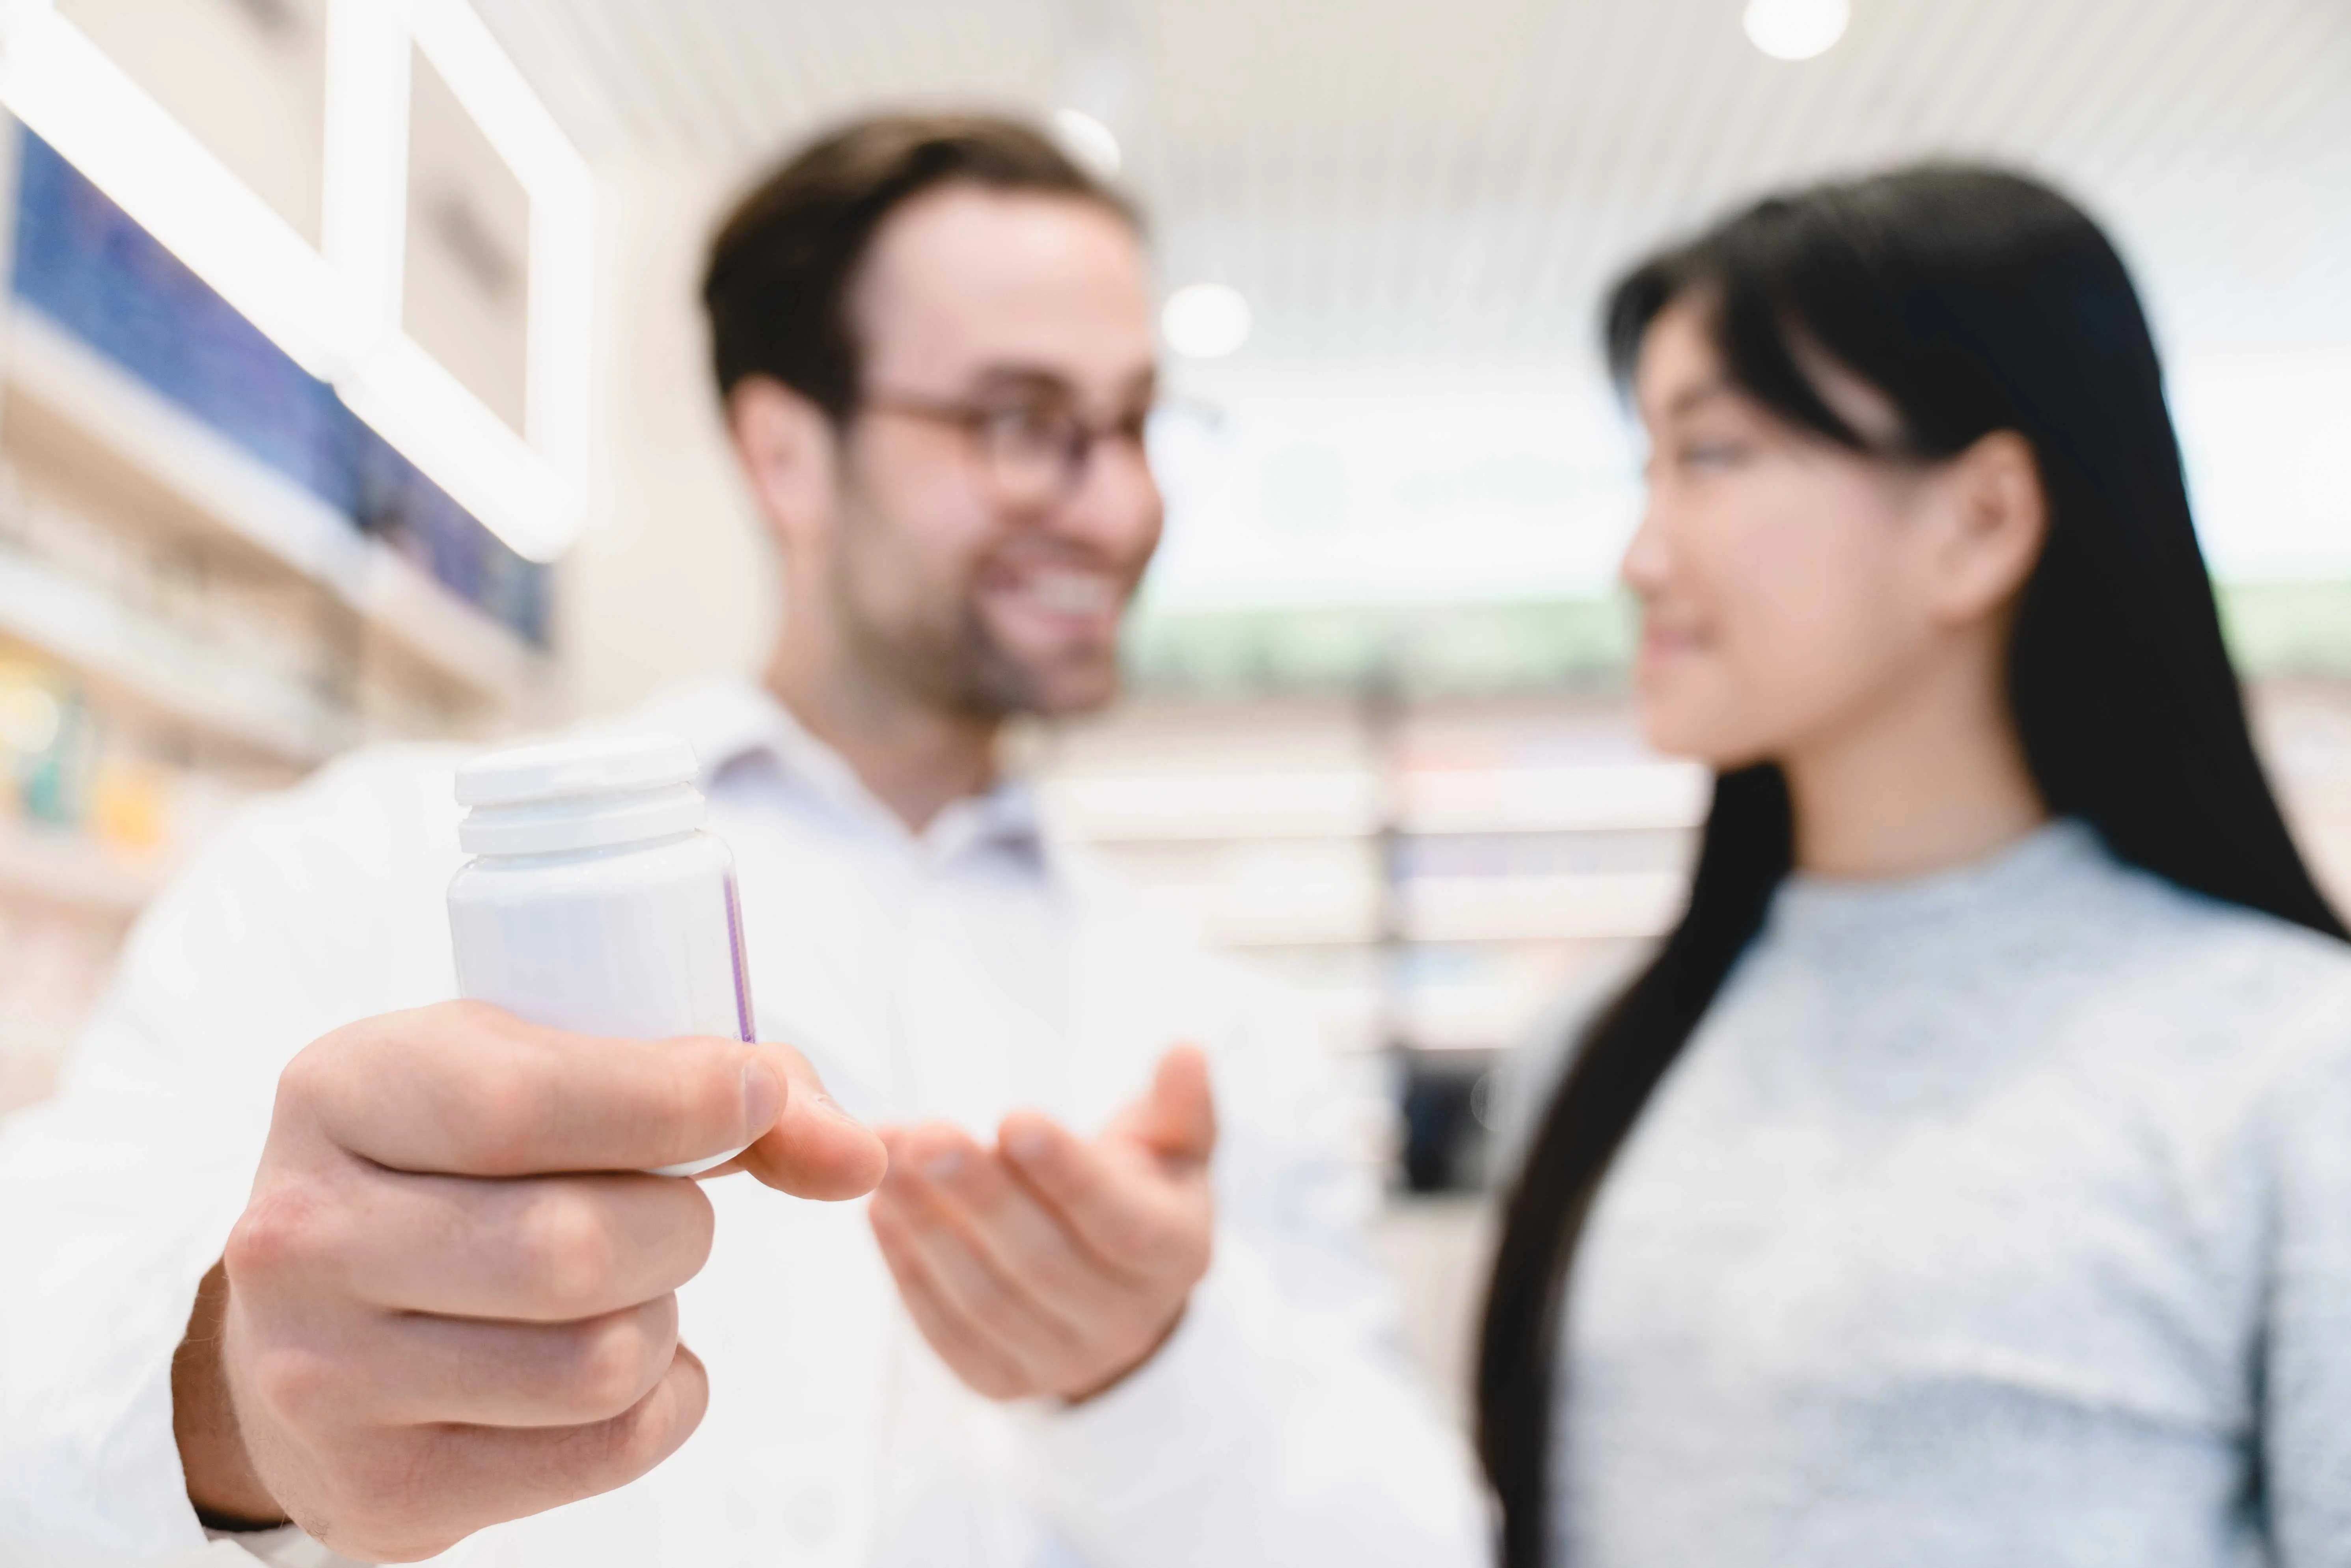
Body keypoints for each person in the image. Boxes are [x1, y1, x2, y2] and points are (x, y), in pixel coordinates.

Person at [0, 114, 1487, 1567]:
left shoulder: (1215, 1023)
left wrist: (1153, 1372)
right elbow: (32, 1391)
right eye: (1027, 425)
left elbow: (1418, 1537)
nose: (1123, 502)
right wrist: (233, 1411)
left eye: (1139, 425)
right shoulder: (351, 868)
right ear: (785, 451)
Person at [1476, 165, 2351, 1568]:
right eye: (1644, 465)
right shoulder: (1596, 1055)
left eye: (1712, 456)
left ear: (1981, 520)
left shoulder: (2289, 1068)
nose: (1640, 555)